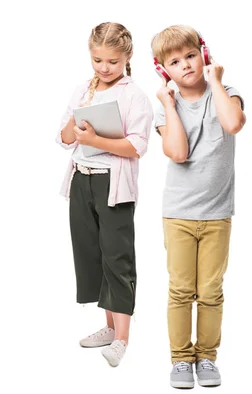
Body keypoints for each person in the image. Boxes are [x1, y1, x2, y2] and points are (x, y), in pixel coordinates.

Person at [151, 25, 246, 388]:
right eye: (175, 62)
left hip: (217, 213)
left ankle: (206, 357)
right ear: (164, 70)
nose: (186, 65)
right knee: (180, 288)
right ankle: (180, 359)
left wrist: (216, 81)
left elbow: (233, 123)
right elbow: (178, 151)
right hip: (178, 213)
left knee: (210, 290)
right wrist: (169, 103)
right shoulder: (166, 108)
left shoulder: (227, 93)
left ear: (204, 54)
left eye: (190, 55)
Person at [56, 22, 153, 367]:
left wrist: (96, 140)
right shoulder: (84, 88)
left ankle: (123, 337)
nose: (104, 68)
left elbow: (137, 145)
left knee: (117, 256)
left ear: (127, 57)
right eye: (97, 60)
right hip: (82, 180)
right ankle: (109, 327)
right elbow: (66, 138)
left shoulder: (133, 95)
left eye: (112, 61)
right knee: (91, 253)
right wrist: (77, 117)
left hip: (113, 184)